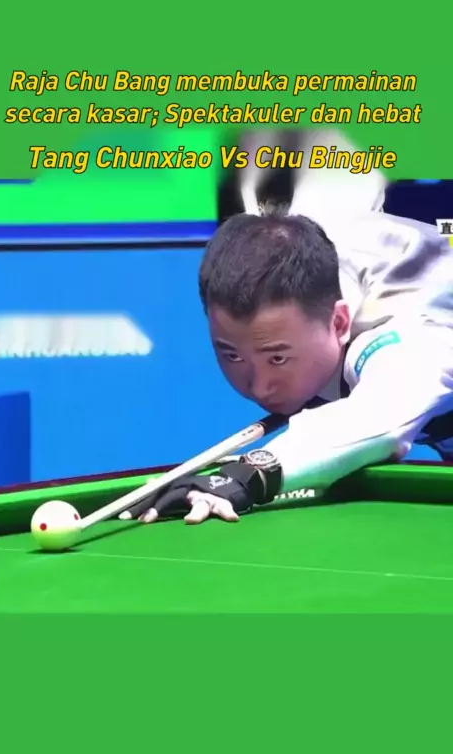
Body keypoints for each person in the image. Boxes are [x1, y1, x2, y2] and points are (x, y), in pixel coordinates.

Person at [122, 130, 453, 525]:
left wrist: (247, 474)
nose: (261, 386)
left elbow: (380, 416)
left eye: (277, 358)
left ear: (339, 322)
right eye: (232, 355)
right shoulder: (295, 261)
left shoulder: (409, 330)